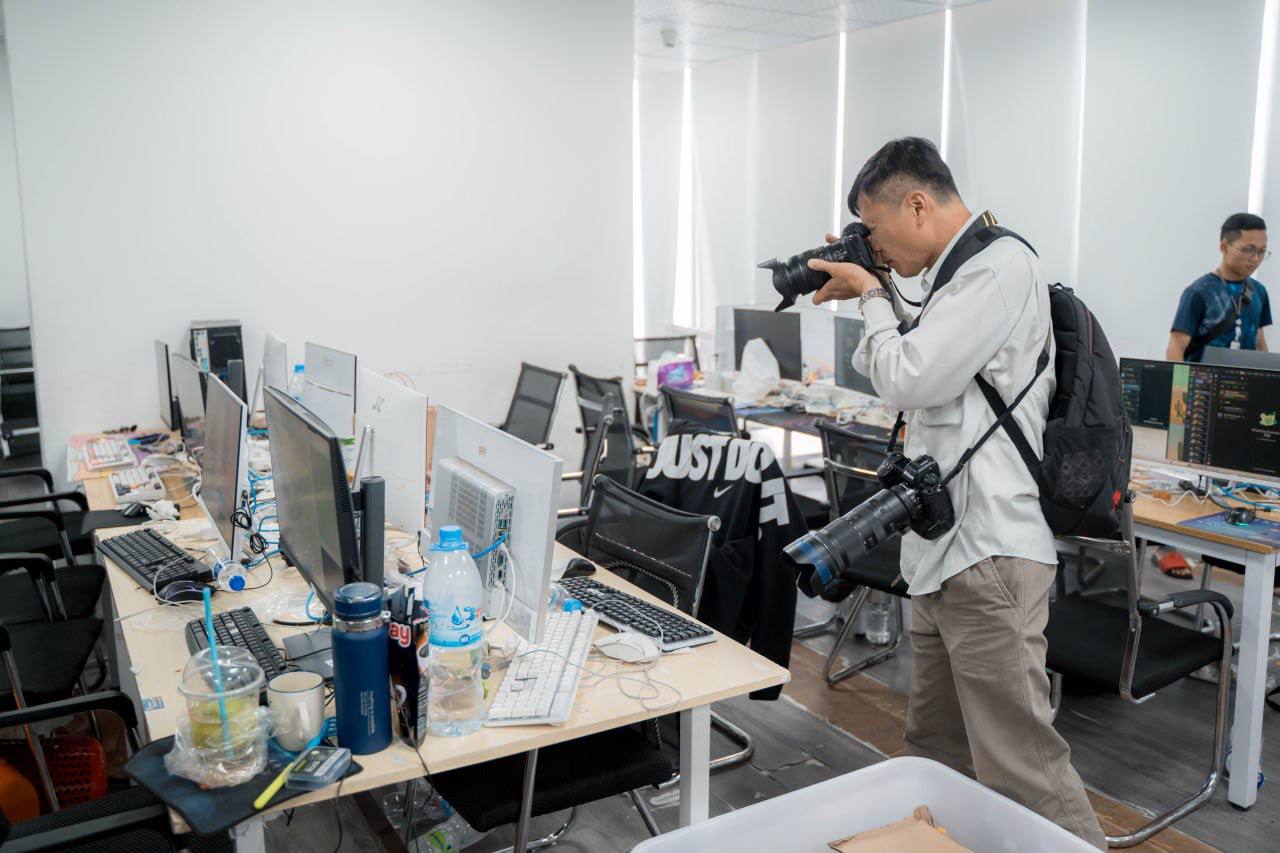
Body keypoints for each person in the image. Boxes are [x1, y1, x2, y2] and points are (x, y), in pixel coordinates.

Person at [806, 137, 1106, 849]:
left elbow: (908, 375)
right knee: (933, 755)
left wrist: (873, 292)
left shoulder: (1000, 268)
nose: (875, 246)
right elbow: (901, 366)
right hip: (944, 555)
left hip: (989, 554)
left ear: (916, 204)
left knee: (1021, 767)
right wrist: (878, 292)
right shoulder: (955, 279)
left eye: (875, 227)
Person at [1167, 212, 1272, 362]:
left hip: (1246, 377)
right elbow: (1176, 348)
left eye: (1261, 251)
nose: (1256, 259)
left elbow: (1259, 342)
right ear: (1224, 247)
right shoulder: (1199, 292)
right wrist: (1182, 379)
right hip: (1201, 376)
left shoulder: (1259, 291)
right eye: (1248, 250)